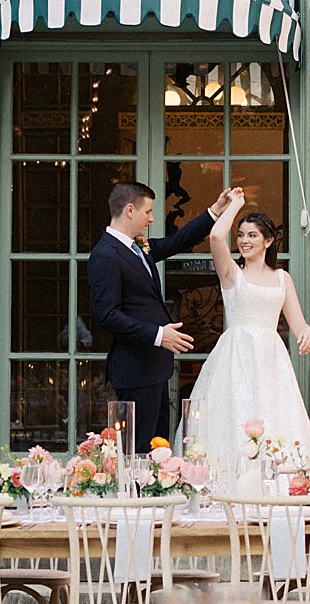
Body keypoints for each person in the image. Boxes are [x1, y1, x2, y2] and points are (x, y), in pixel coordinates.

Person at [88, 179, 238, 451]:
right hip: (133, 370)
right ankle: (136, 495)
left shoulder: (138, 247)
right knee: (137, 452)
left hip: (154, 369)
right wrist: (159, 334)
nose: (152, 218)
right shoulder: (105, 255)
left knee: (158, 450)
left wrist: (214, 211)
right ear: (130, 210)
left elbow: (176, 241)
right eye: (148, 212)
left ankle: (155, 493)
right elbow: (107, 315)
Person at [184, 188, 310, 473]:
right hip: (236, 357)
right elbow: (217, 237)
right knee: (234, 415)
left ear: (268, 241)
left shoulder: (282, 278)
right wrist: (235, 205)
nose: (244, 241)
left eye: (252, 235)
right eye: (242, 235)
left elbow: (298, 322)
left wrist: (307, 332)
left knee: (273, 416)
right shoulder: (233, 274)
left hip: (270, 361)